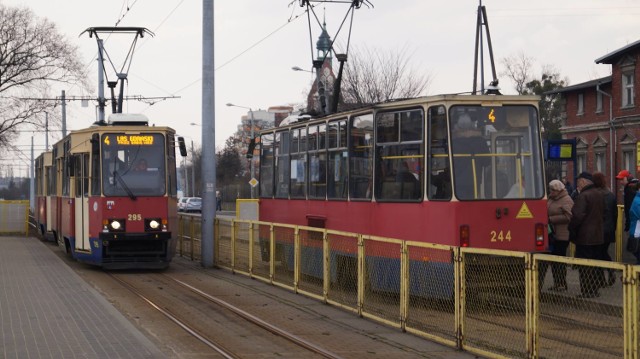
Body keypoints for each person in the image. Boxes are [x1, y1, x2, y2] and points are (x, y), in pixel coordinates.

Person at [568, 171, 605, 298]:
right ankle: (594, 289)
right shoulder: (600, 194)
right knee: (595, 264)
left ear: (583, 182)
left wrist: (572, 230)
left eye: (579, 182)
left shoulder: (583, 196)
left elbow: (577, 216)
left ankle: (586, 290)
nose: (577, 185)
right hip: (598, 236)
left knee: (584, 266)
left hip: (585, 237)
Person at [451, 112, 490, 199]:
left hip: (457, 182)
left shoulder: (453, 143)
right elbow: (487, 161)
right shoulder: (481, 141)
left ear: (457, 126)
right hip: (475, 181)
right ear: (472, 125)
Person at [545, 179, 574, 291]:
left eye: (552, 190)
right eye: (550, 190)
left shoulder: (566, 200)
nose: (551, 192)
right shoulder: (552, 199)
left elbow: (570, 216)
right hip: (553, 234)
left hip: (562, 235)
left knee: (559, 259)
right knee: (554, 260)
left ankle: (561, 283)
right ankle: (557, 282)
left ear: (558, 190)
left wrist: (551, 219)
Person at [593, 172, 617, 286]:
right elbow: (615, 214)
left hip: (598, 229)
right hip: (609, 230)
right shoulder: (611, 195)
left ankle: (601, 279)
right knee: (603, 252)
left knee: (597, 254)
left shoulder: (595, 194)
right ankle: (610, 270)